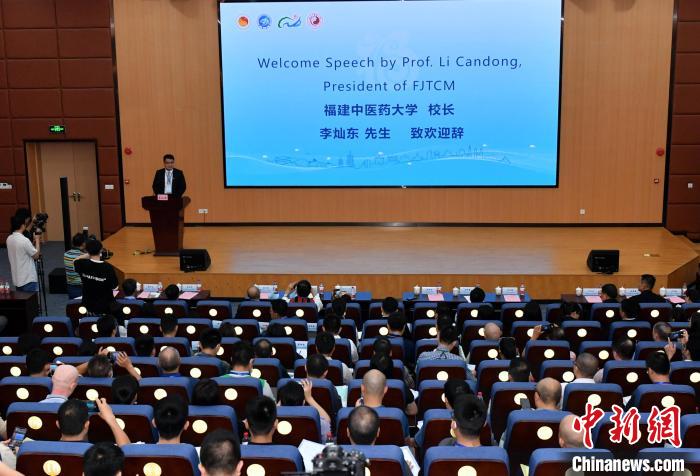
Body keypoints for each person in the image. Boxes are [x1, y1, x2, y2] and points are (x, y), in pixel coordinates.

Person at [74, 239, 118, 315]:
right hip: (105, 307)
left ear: (87, 250)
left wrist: (88, 254)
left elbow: (75, 260)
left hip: (88, 306)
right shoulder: (108, 267)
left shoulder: (82, 263)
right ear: (101, 250)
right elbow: (115, 287)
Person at [59, 399, 130, 446]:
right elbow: (128, 451)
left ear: (58, 424)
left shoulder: (50, 449)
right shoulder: (97, 454)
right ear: (87, 425)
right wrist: (111, 420)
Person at [6, 214, 41, 292]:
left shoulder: (9, 239)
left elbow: (22, 250)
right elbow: (36, 256)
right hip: (28, 279)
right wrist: (37, 240)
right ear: (22, 225)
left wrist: (32, 243)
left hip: (17, 279)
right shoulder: (24, 240)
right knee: (32, 299)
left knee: (22, 299)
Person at [63, 233, 87, 299]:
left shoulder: (66, 254)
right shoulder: (83, 256)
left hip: (70, 286)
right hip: (81, 286)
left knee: (73, 303)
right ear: (83, 243)